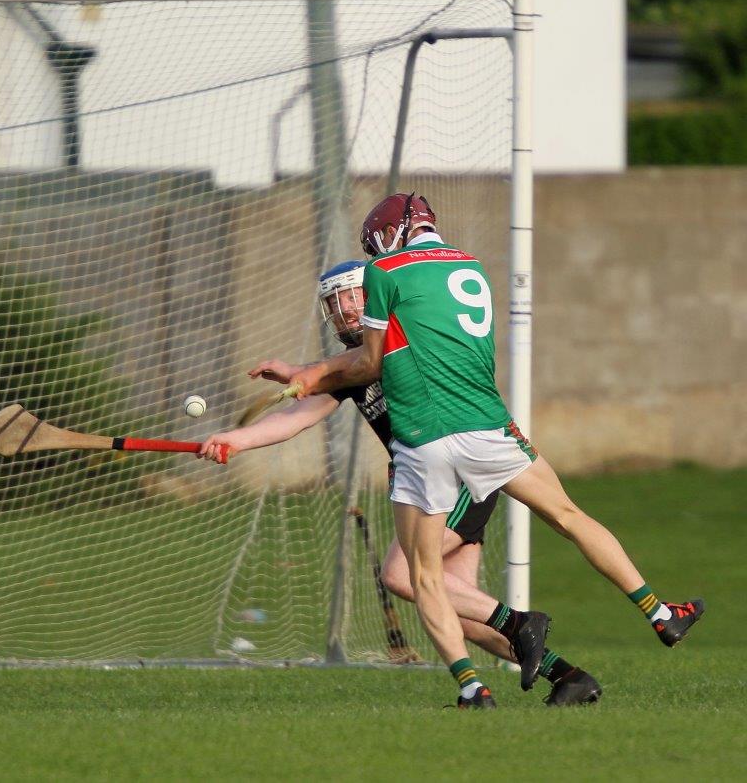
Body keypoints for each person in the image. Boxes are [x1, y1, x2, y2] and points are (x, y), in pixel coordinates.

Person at [254, 193, 703, 708]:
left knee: (417, 576)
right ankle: (657, 614)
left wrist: (308, 374)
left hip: (433, 442)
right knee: (568, 516)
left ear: (384, 238)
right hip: (492, 427)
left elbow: (371, 363)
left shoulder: (384, 272)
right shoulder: (471, 267)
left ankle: (475, 684)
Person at [201, 261, 600, 706]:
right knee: (462, 614)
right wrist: (234, 440)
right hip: (431, 487)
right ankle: (569, 677)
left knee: (402, 575)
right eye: (335, 302)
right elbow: (293, 420)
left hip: (460, 475)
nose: (345, 309)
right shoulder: (348, 368)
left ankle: (513, 633)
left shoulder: (404, 339)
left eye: (352, 296)